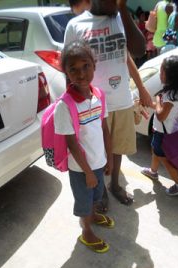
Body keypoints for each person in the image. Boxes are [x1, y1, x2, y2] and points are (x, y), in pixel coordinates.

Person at [64, 0, 152, 206]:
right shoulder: (76, 25)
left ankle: (114, 184)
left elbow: (135, 52)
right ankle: (100, 188)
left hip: (121, 99)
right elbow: (68, 64)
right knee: (95, 150)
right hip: (92, 103)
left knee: (117, 148)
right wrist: (72, 101)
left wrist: (141, 87)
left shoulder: (120, 18)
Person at [54, 40, 114, 253]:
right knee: (84, 201)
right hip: (81, 169)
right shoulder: (65, 106)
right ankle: (86, 230)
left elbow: (104, 129)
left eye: (85, 66)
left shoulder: (99, 95)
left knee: (96, 196)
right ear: (66, 73)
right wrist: (88, 172)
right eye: (73, 69)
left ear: (94, 65)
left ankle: (94, 215)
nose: (81, 74)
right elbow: (71, 142)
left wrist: (110, 158)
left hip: (99, 161)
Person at [141, 55, 178, 196]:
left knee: (163, 157)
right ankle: (153, 171)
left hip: (164, 133)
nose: (160, 74)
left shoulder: (171, 95)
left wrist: (157, 99)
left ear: (171, 76)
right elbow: (163, 108)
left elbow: (161, 115)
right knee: (155, 150)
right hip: (164, 131)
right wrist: (150, 103)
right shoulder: (175, 92)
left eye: (162, 72)